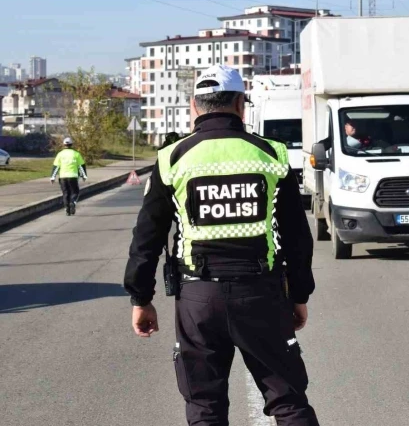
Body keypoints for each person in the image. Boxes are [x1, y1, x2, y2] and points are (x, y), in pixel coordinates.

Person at [123, 65, 318, 426]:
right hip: (261, 294)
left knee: (205, 407)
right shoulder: (271, 154)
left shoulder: (172, 159)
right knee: (288, 400)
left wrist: (141, 298)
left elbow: (147, 237)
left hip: (198, 299)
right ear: (241, 105)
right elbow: (296, 236)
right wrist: (299, 295)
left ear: (193, 106)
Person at [50, 137, 87, 216]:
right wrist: (84, 176)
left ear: (64, 145)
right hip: (73, 177)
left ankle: (67, 209)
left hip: (63, 177)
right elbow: (81, 166)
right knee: (75, 192)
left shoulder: (60, 154)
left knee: (65, 193)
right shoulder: (76, 154)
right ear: (71, 145)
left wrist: (52, 177)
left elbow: (56, 166)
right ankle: (72, 202)